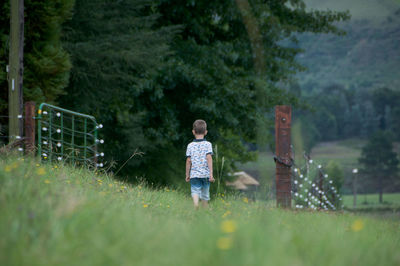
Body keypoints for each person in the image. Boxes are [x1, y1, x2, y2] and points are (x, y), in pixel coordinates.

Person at [185, 119, 215, 209]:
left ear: (193, 132)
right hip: (205, 174)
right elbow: (209, 158)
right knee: (205, 192)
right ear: (205, 132)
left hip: (194, 174)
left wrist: (187, 174)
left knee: (195, 190)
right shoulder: (208, 144)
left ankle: (196, 204)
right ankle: (205, 209)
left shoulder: (190, 145)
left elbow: (188, 161)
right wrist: (211, 174)